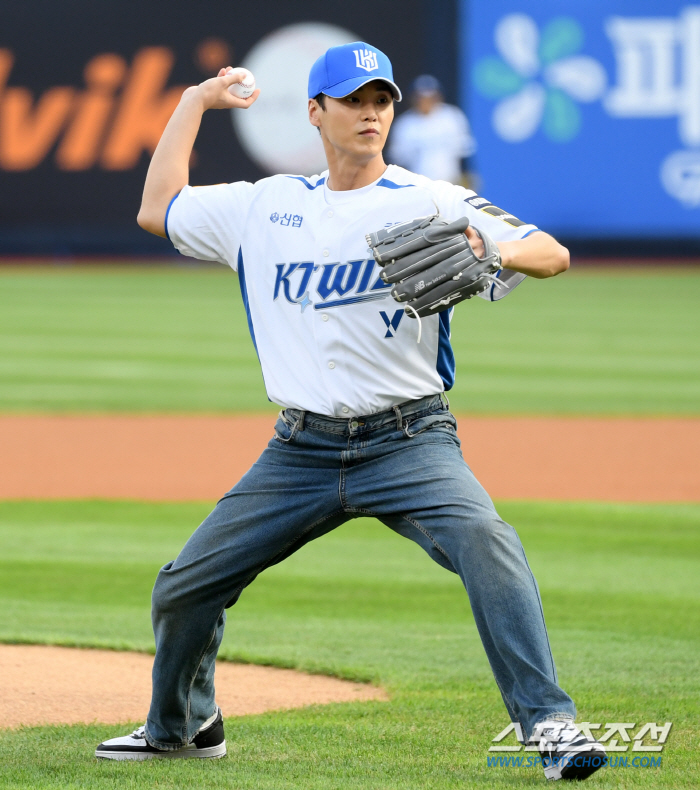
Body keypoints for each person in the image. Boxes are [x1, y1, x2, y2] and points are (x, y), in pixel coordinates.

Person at [95, 42, 606, 781]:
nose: (371, 113)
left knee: (488, 544)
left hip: (410, 441)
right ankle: (182, 727)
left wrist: (489, 252)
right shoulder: (265, 207)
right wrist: (193, 102)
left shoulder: (431, 199)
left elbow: (550, 254)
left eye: (382, 100)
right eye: (354, 100)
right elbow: (156, 209)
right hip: (298, 450)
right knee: (183, 587)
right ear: (316, 113)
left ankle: (551, 726)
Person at [388, 74, 477, 186]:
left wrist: (468, 174)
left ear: (438, 96)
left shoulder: (452, 116)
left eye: (430, 97)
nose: (426, 102)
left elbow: (465, 152)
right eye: (421, 97)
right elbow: (398, 162)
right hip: (417, 187)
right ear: (413, 98)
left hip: (451, 184)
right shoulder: (404, 125)